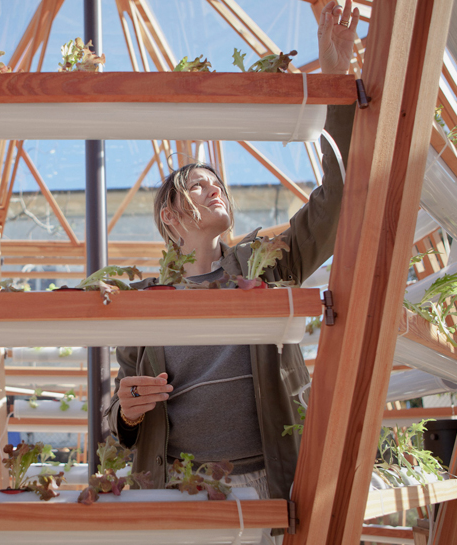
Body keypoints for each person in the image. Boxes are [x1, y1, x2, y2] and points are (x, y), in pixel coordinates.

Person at [107, 0, 359, 502]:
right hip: (181, 486)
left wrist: (337, 83)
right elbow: (124, 420)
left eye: (216, 183)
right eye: (197, 187)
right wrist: (127, 413)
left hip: (270, 479)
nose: (214, 189)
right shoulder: (141, 301)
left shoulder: (269, 263)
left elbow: (340, 198)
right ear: (170, 218)